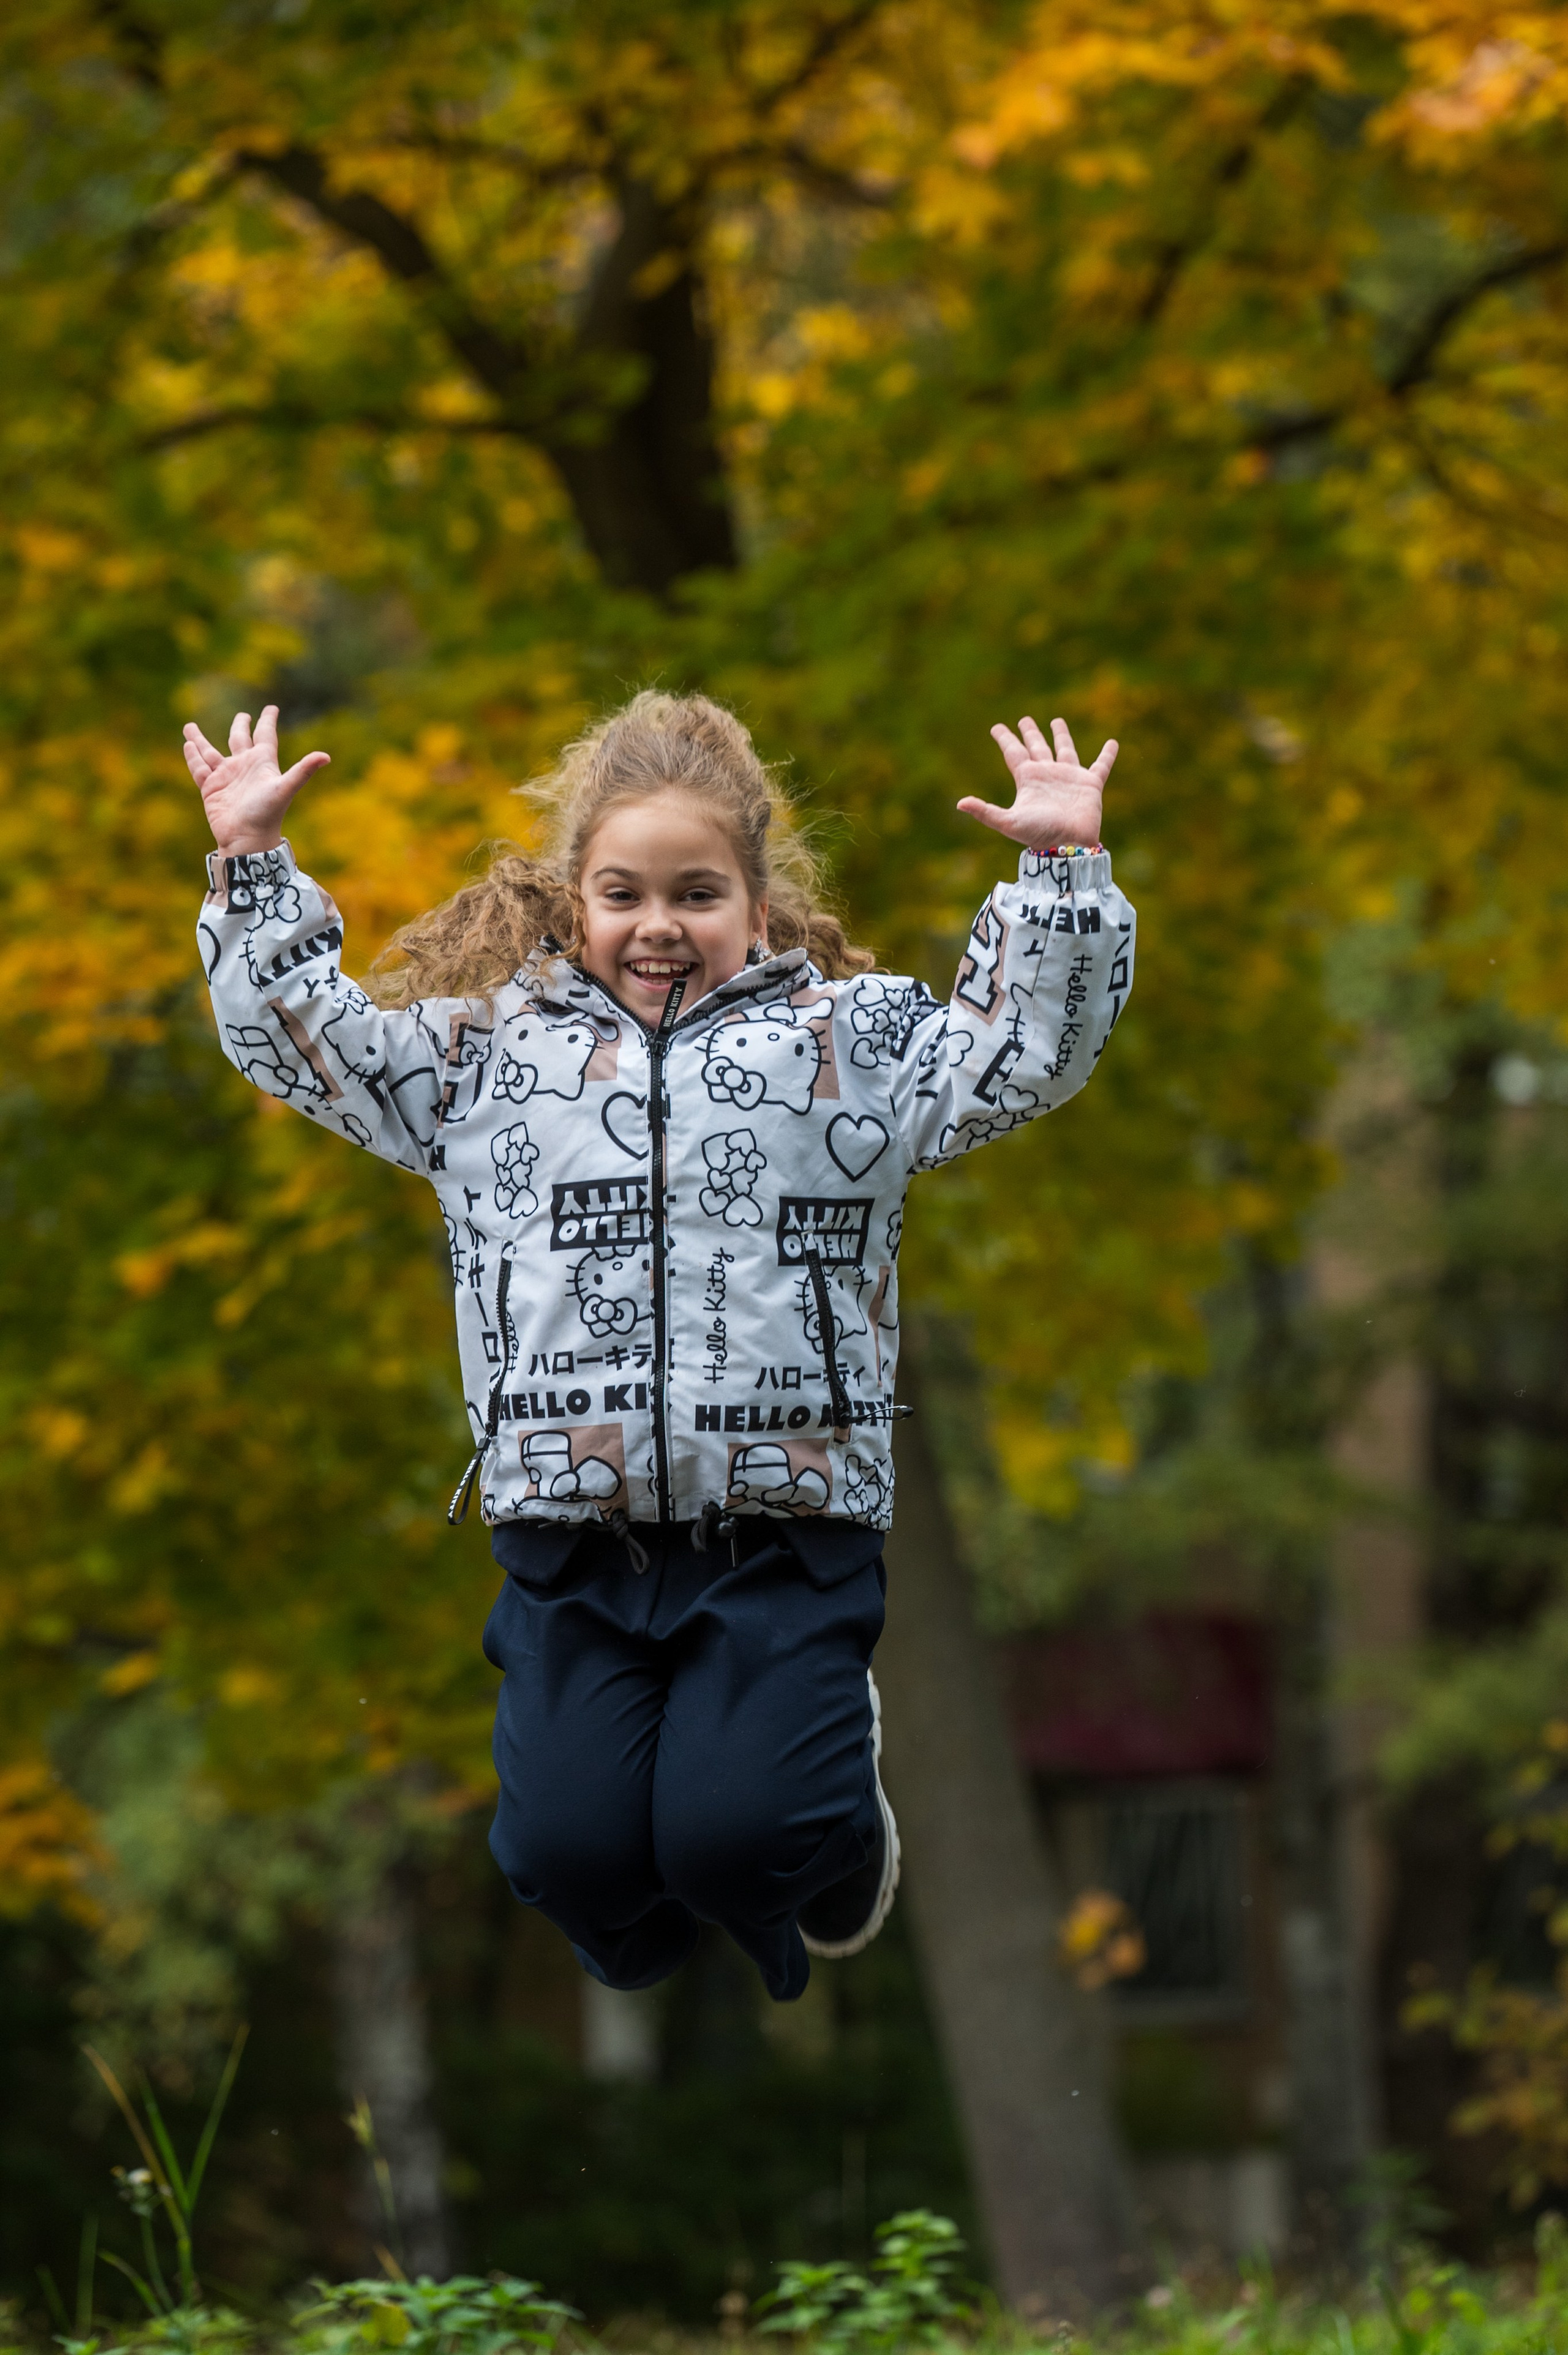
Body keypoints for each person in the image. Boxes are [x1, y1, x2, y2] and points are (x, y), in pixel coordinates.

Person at [186, 690, 1134, 2002]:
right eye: (623, 892)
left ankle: (828, 1829)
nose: (658, 924)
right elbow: (306, 1043)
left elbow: (1018, 1051)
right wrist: (248, 867)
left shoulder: (846, 1047)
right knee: (565, 1858)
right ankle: (666, 1931)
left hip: (781, 1526)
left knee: (739, 1839)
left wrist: (1059, 873)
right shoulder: (483, 1062)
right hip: (570, 1534)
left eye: (696, 892)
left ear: (758, 905)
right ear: (574, 903)